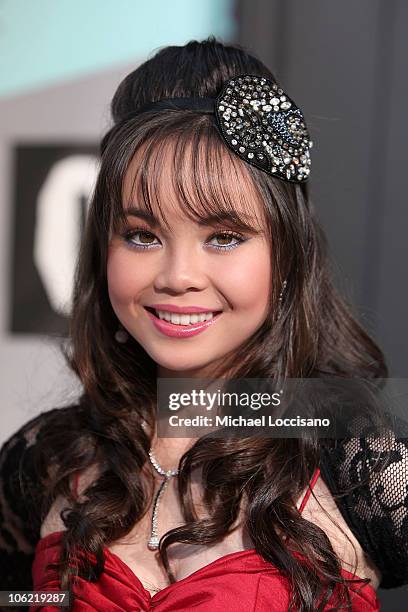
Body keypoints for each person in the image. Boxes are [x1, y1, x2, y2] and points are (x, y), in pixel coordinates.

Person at [0, 37, 407, 611]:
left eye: (224, 237)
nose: (178, 275)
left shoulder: (355, 458)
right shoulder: (47, 455)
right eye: (142, 235)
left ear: (285, 255)